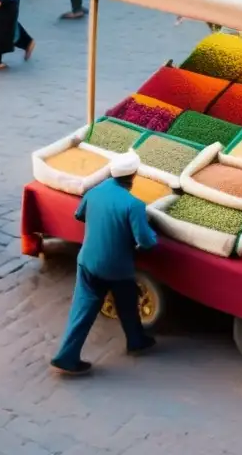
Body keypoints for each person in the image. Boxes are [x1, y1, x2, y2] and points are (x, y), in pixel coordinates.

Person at [50, 151, 158, 376]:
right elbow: (145, 242)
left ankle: (66, 356)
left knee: (82, 309)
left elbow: (79, 215)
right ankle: (136, 341)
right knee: (127, 303)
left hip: (87, 261)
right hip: (116, 267)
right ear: (134, 175)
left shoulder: (94, 192)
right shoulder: (134, 205)